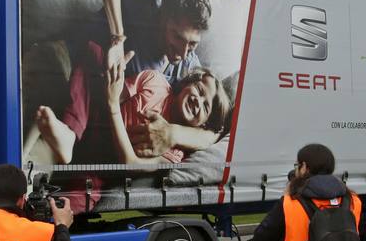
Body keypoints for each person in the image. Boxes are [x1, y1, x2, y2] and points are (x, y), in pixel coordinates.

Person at [90, 0, 222, 160]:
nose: (183, 53)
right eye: (177, 37)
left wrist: (172, 134)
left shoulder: (190, 70)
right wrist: (117, 36)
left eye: (192, 44)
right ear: (163, 14)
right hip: (77, 66)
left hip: (105, 133)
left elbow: (215, 132)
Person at [33, 41, 232, 169]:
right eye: (199, 90)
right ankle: (70, 133)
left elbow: (129, 162)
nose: (198, 100)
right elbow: (112, 95)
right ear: (188, 83)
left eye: (206, 106)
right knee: (93, 51)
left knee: (79, 199)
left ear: (204, 124)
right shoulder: (156, 81)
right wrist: (113, 77)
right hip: (94, 121)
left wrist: (113, 105)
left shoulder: (176, 155)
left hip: (105, 163)